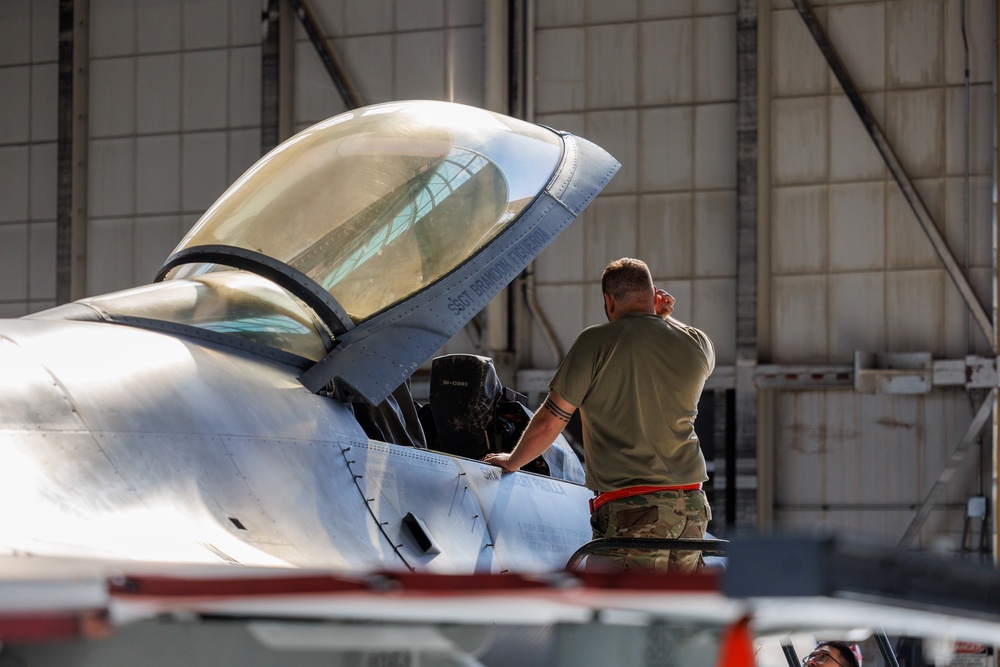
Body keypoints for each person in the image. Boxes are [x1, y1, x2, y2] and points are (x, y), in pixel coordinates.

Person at [482, 258, 715, 572]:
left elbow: (551, 421)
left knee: (618, 613)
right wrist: (663, 318)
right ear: (653, 295)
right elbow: (677, 335)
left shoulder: (595, 343)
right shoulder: (697, 344)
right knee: (677, 611)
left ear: (608, 300)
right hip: (693, 511)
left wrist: (512, 461)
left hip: (634, 513)